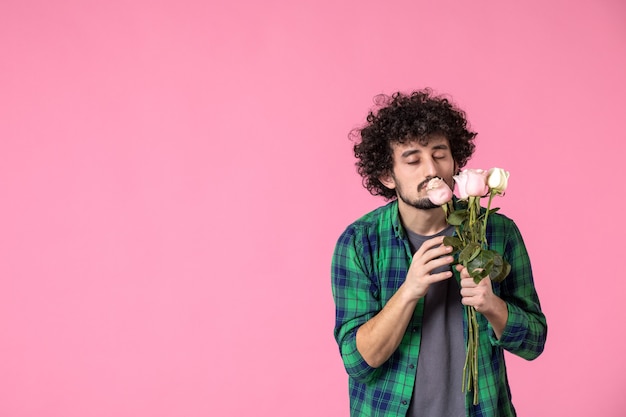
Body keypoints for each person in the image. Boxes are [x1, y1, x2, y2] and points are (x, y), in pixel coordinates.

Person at [331, 89, 547, 417]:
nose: (431, 169)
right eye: (413, 160)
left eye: (440, 154)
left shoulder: (497, 232)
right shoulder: (360, 242)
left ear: (456, 159)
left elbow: (533, 342)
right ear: (387, 176)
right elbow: (359, 362)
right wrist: (409, 292)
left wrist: (492, 306)